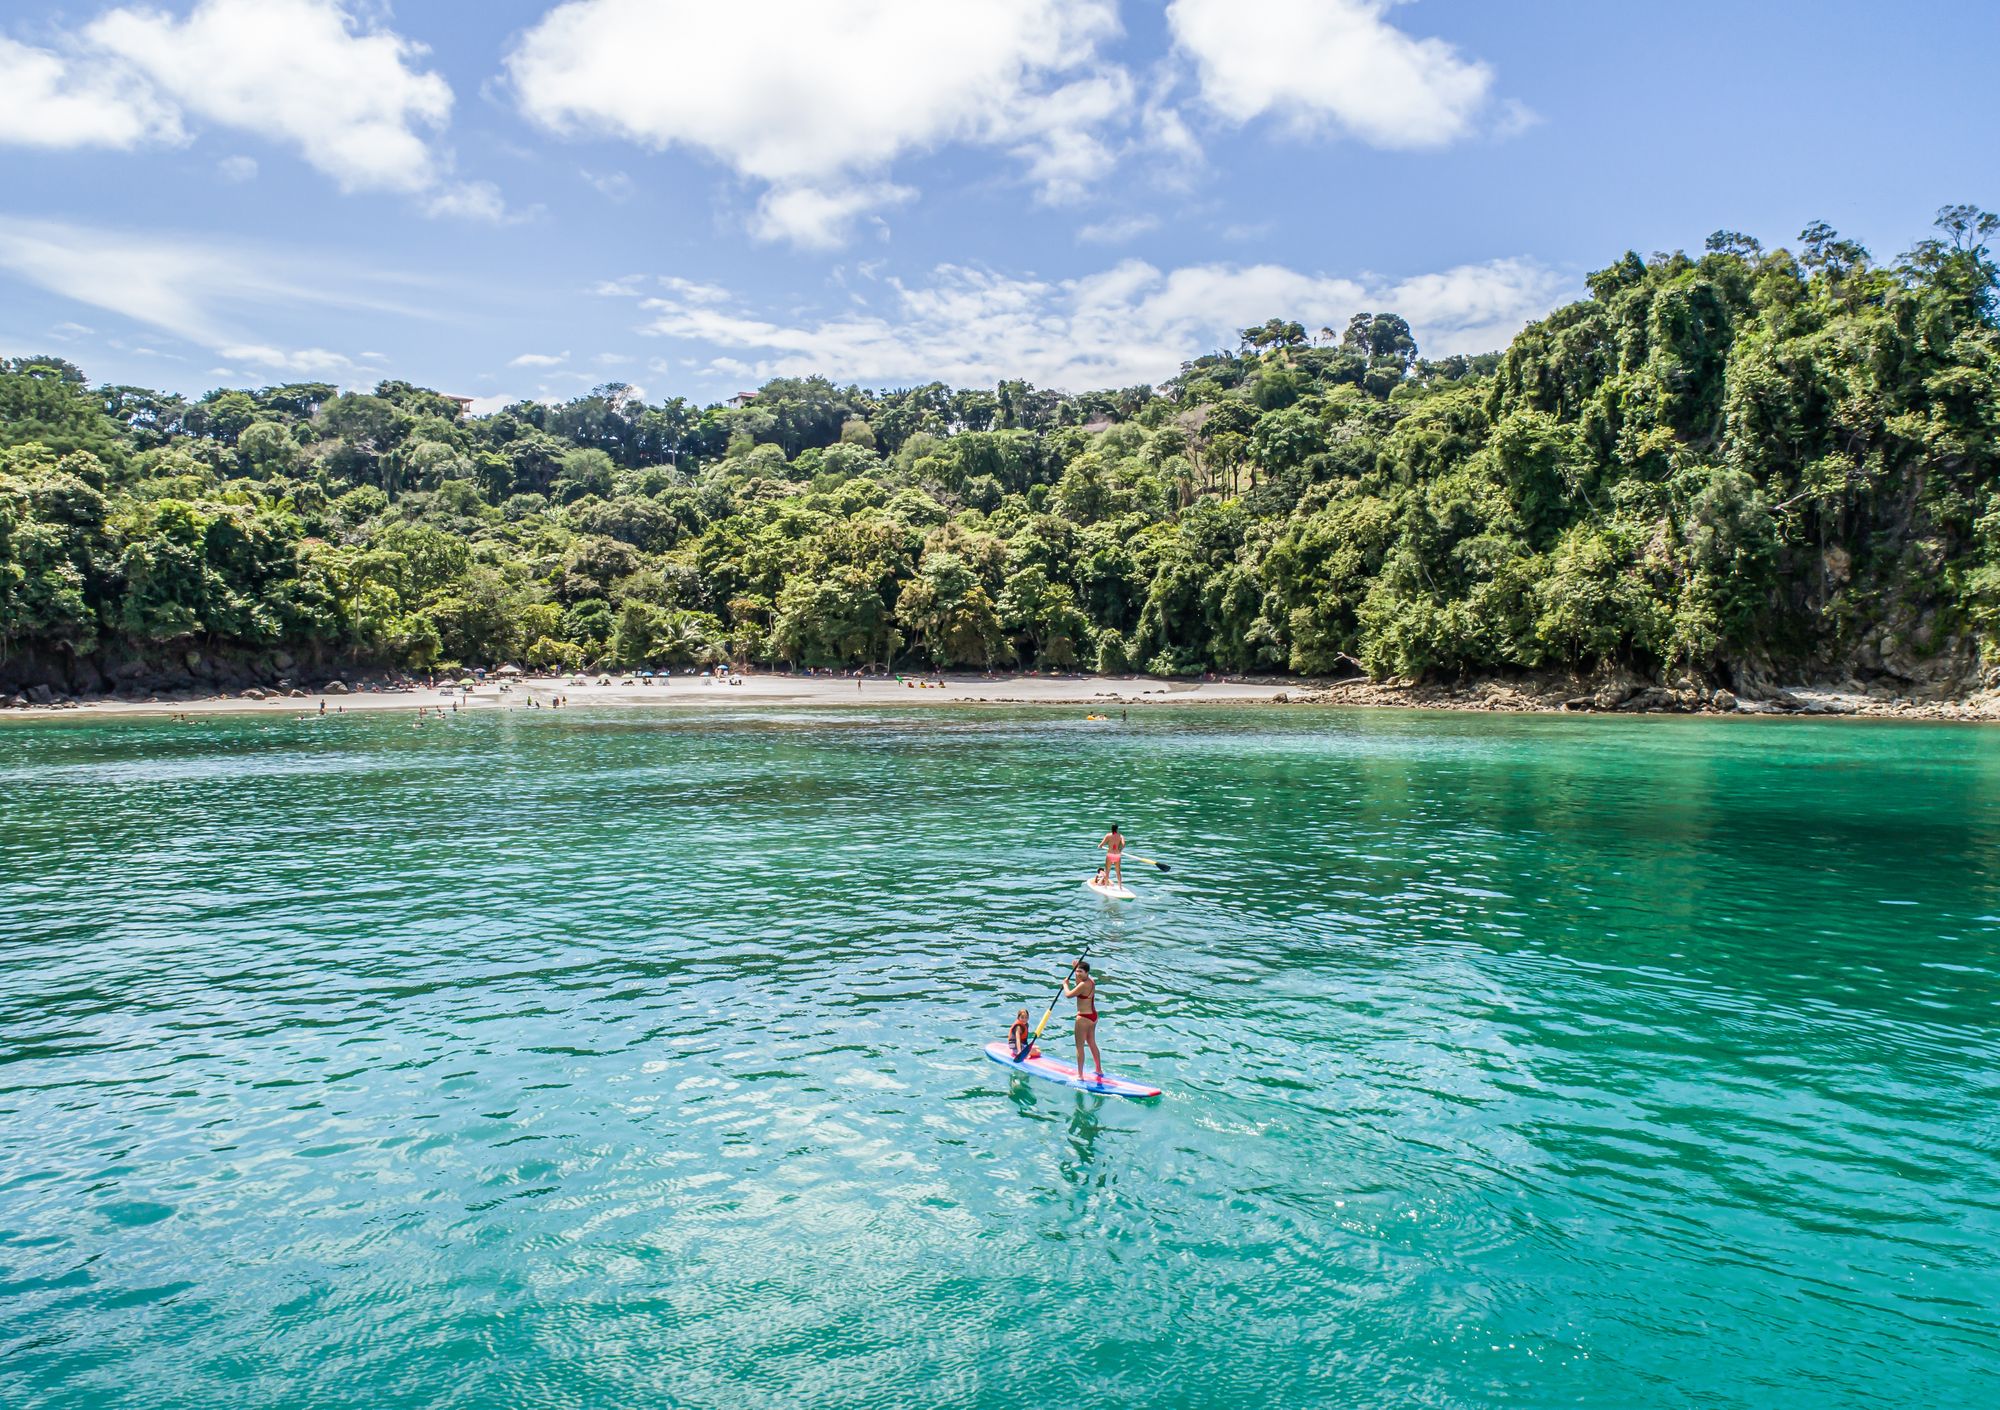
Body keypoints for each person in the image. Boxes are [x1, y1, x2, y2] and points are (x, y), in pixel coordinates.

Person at [1064, 959, 1103, 1085]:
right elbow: (1079, 983)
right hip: (1093, 1016)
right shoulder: (1091, 981)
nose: (1078, 973)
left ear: (1087, 972)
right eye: (1076, 971)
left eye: (1080, 971)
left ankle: (1080, 1075)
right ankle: (1099, 1070)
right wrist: (1076, 968)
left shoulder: (1083, 985)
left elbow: (1069, 995)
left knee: (1079, 1047)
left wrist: (1065, 984)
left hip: (1083, 1018)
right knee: (1091, 1042)